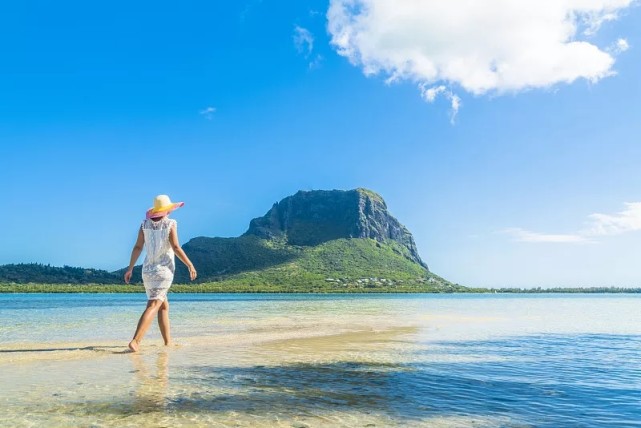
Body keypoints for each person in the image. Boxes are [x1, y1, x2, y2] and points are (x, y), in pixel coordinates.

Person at [124, 194, 197, 352]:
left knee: (163, 306)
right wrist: (190, 264)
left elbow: (137, 247)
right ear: (168, 210)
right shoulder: (170, 223)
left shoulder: (144, 225)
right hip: (164, 270)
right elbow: (176, 247)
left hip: (148, 271)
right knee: (154, 304)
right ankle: (136, 341)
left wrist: (130, 268)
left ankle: (167, 343)